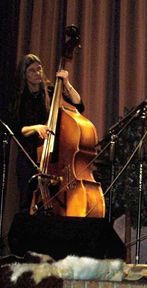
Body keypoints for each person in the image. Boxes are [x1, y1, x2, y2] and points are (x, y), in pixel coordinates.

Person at [9, 53, 84, 213]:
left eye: (39, 69)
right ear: (24, 75)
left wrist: (67, 83)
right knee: (26, 203)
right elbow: (16, 129)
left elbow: (79, 105)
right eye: (31, 71)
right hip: (28, 157)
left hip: (52, 157)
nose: (37, 73)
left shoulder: (51, 91)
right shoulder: (20, 98)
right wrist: (36, 128)